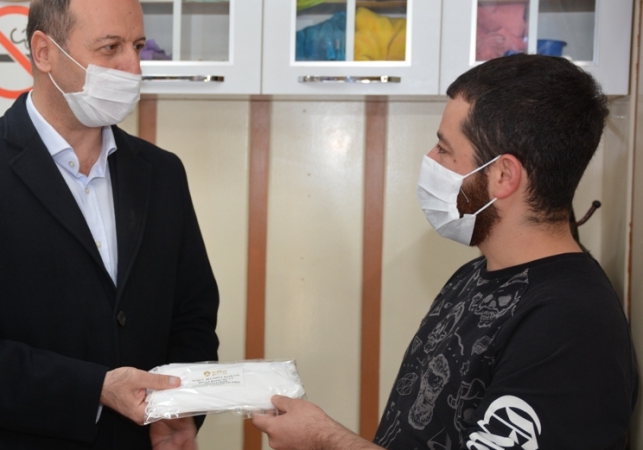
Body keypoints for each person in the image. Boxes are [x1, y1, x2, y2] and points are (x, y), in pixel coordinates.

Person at [252, 54, 638, 449]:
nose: (430, 160)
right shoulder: (474, 275)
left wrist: (322, 440)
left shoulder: (571, 325)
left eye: (444, 148)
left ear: (503, 175)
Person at [0, 0, 219, 449]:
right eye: (110, 48)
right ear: (44, 52)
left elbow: (193, 318)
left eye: (139, 46)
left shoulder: (161, 173)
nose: (133, 66)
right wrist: (93, 390)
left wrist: (180, 409)